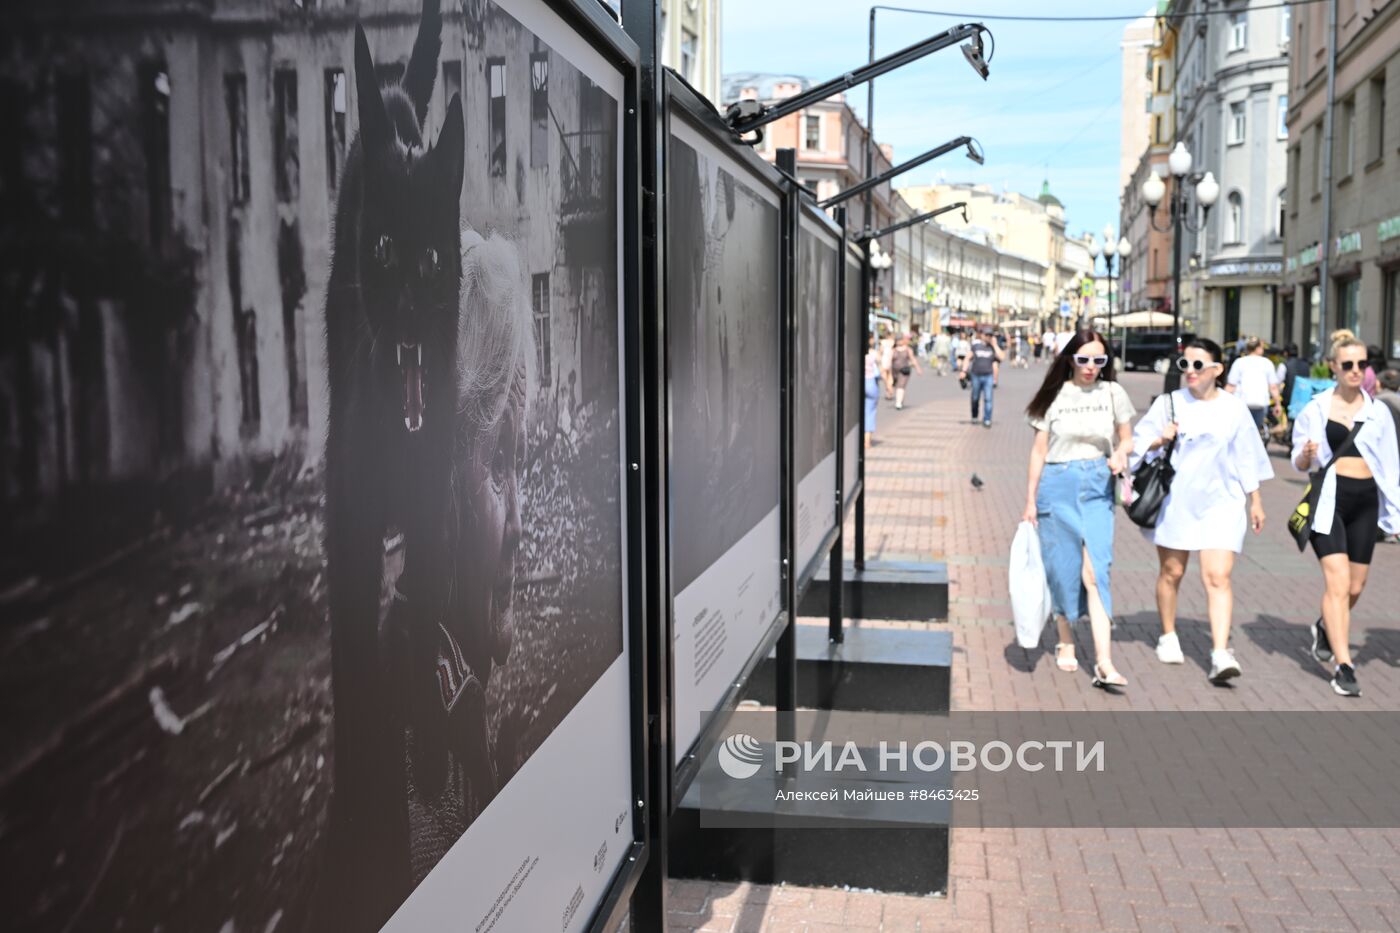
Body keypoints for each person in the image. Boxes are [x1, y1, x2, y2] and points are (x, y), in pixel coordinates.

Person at [1132, 338, 1274, 684]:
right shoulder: (1169, 404)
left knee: (1218, 576)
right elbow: (1136, 445)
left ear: (1217, 369)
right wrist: (1159, 440)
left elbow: (1246, 456)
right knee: (1172, 572)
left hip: (1222, 504)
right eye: (1185, 365)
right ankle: (1167, 634)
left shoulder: (1234, 408)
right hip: (1176, 502)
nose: (1190, 372)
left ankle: (1220, 653)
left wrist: (1255, 500)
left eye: (1198, 365)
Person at [1022, 330, 1136, 687]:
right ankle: (1066, 640)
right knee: (1062, 567)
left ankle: (1104, 661)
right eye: (1084, 359)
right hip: (1057, 484)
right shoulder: (1054, 395)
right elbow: (1039, 451)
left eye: (1099, 361)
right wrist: (1029, 500)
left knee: (1096, 569)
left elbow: (1127, 435)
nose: (1090, 367)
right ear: (1070, 358)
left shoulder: (1113, 392)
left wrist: (1121, 452)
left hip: (1097, 483)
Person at [1291, 338, 1400, 697]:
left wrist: (1396, 515)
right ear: (1333, 367)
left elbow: (1390, 466)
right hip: (1330, 501)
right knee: (1337, 584)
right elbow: (1299, 460)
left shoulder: (1379, 411)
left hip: (1366, 501)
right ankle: (1344, 665)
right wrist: (1306, 456)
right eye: (1348, 364)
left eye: (1361, 365)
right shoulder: (1317, 408)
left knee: (1355, 587)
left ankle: (1325, 626)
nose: (1356, 371)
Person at [1225, 336, 1282, 434]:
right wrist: (1277, 404)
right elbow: (1273, 387)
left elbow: (1230, 386)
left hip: (1241, 403)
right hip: (1260, 403)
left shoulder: (1239, 362)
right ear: (1258, 348)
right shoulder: (1267, 363)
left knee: (1240, 431)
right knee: (1255, 432)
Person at [960, 328, 1003, 428]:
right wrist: (963, 371)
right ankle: (975, 416)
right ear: (982, 335)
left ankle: (987, 419)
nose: (988, 337)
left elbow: (1002, 357)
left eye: (990, 336)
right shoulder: (976, 346)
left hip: (988, 376)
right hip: (976, 375)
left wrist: (995, 345)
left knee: (988, 398)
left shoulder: (993, 348)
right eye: (987, 335)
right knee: (975, 397)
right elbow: (967, 358)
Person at [891, 335, 921, 410]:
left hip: (904, 370)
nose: (899, 342)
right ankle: (900, 400)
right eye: (898, 340)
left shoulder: (908, 350)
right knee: (897, 386)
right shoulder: (893, 350)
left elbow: (913, 359)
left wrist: (918, 368)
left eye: (900, 340)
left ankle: (898, 403)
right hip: (894, 371)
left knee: (901, 385)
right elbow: (889, 361)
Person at [864, 334, 882, 448]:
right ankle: (867, 441)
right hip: (871, 383)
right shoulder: (873, 354)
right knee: (870, 412)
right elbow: (883, 368)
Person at [879, 330, 896, 400]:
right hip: (890, 360)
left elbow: (881, 351)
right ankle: (890, 390)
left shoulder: (883, 342)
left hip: (884, 360)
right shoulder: (893, 342)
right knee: (890, 377)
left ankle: (888, 390)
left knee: (884, 377)